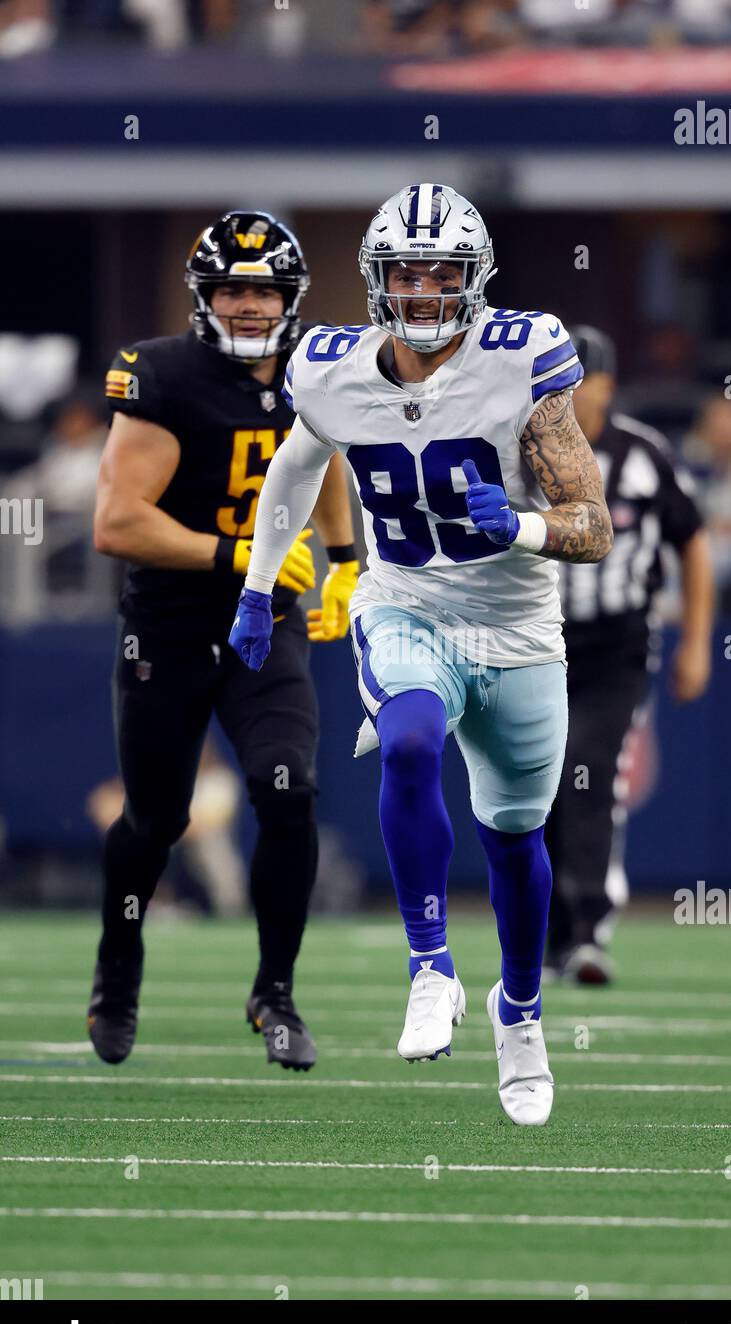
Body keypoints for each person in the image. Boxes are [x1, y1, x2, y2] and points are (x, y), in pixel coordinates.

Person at [229, 183, 612, 1125]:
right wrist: (256, 583)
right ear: (378, 279)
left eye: (444, 272)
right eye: (408, 271)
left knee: (516, 835)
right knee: (406, 740)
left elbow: (594, 525)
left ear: (475, 279)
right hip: (405, 603)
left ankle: (517, 1012)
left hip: (517, 626)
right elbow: (297, 463)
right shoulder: (330, 368)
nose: (427, 289)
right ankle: (429, 963)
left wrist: (522, 525)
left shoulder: (521, 362)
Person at [87, 210, 358, 1072]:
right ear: (205, 295)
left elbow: (324, 456)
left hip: (264, 625)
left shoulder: (318, 368)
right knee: (157, 818)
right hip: (169, 627)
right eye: (233, 288)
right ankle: (119, 963)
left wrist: (347, 556)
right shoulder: (162, 375)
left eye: (264, 289)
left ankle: (274, 992)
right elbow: (116, 520)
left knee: (289, 790)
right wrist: (232, 553)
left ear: (291, 296)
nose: (249, 305)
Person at [545, 327, 713, 985]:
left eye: (576, 384)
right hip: (538, 645)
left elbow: (692, 542)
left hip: (616, 645)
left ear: (608, 387)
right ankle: (556, 932)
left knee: (586, 767)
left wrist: (698, 642)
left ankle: (587, 928)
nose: (564, 399)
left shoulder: (642, 455)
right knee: (541, 782)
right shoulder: (520, 449)